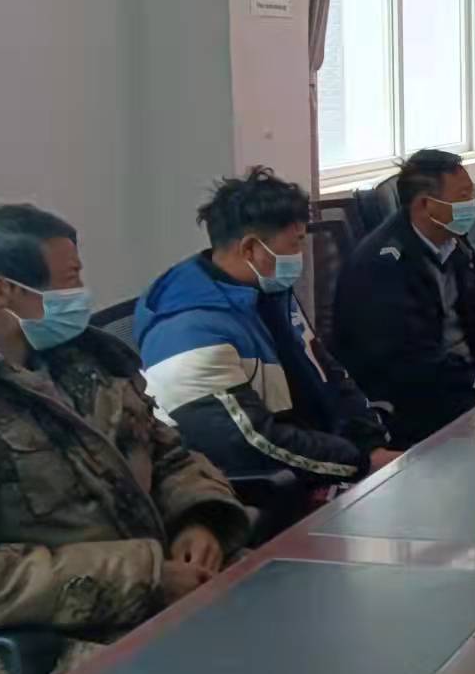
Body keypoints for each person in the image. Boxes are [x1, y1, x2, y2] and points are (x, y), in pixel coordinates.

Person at [0, 204, 250, 674]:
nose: (81, 294)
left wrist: (200, 519)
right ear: (0, 291)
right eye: (69, 281)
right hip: (55, 645)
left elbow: (167, 451)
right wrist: (146, 577)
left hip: (165, 600)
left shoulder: (90, 361)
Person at [136, 168, 396, 489]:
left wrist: (370, 442)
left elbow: (325, 370)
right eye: (295, 244)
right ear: (250, 249)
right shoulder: (190, 334)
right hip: (259, 489)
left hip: (320, 459)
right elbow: (246, 443)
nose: (300, 256)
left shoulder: (266, 290)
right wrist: (359, 463)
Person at [332, 150, 475, 448]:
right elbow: (410, 357)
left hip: (465, 376)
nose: (471, 203)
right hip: (416, 396)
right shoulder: (383, 264)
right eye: (463, 196)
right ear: (425, 205)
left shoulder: (453, 239)